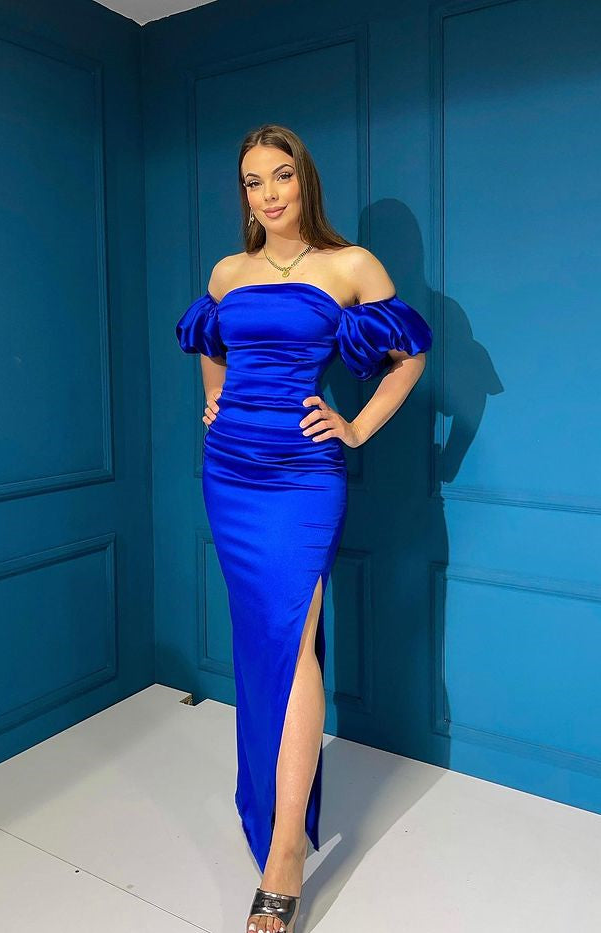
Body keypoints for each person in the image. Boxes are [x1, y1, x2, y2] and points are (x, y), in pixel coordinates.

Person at [176, 123, 432, 933]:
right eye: (253, 182)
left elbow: (410, 357)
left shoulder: (350, 265)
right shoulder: (228, 271)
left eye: (281, 175)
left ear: (305, 179)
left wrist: (355, 426)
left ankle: (284, 851)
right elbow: (209, 343)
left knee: (293, 642)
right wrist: (212, 399)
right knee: (263, 640)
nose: (269, 194)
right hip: (230, 471)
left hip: (301, 474)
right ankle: (269, 802)